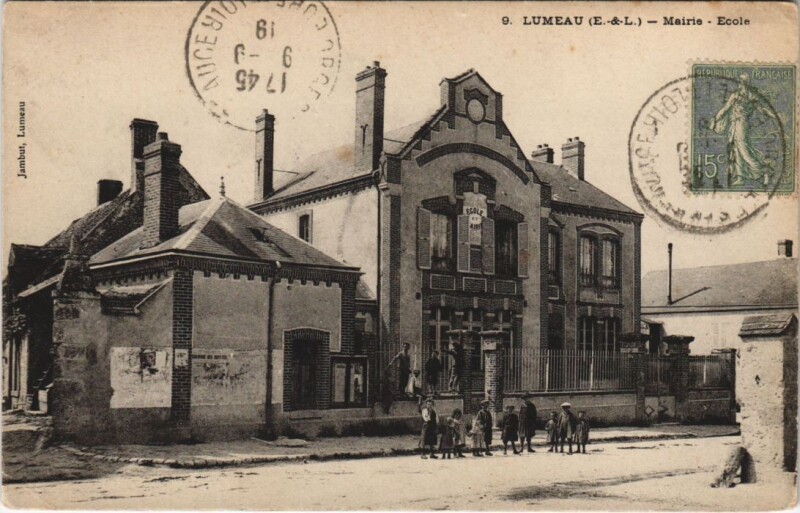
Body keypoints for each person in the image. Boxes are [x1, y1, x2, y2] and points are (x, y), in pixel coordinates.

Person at [709, 74, 778, 187]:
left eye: (742, 82)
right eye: (741, 82)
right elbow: (726, 108)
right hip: (735, 124)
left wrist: (773, 115)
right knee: (736, 150)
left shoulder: (747, 95)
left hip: (741, 124)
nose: (741, 84)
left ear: (743, 83)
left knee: (743, 150)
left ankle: (764, 171)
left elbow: (761, 109)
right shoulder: (739, 95)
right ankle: (740, 177)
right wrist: (716, 118)